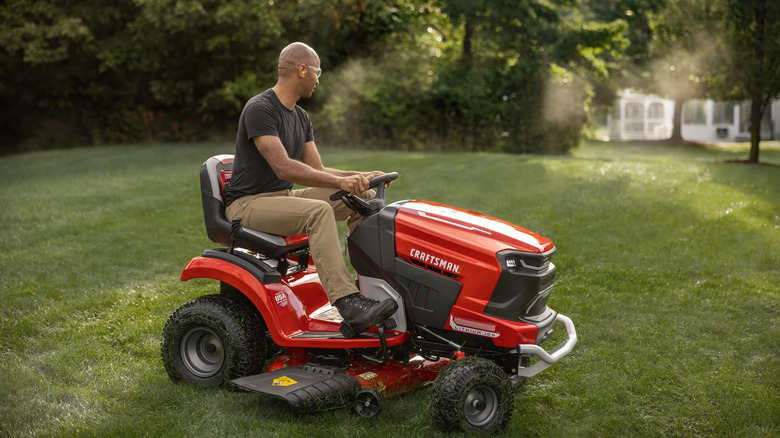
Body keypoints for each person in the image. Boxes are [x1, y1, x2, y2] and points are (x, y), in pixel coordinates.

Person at [224, 42, 397, 338]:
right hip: (247, 204)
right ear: (302, 70)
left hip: (282, 198)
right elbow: (283, 167)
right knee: (317, 211)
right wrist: (340, 182)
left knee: (363, 198)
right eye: (317, 72)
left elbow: (316, 171)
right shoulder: (260, 109)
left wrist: (360, 177)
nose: (318, 79)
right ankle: (348, 304)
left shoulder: (301, 117)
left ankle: (368, 286)